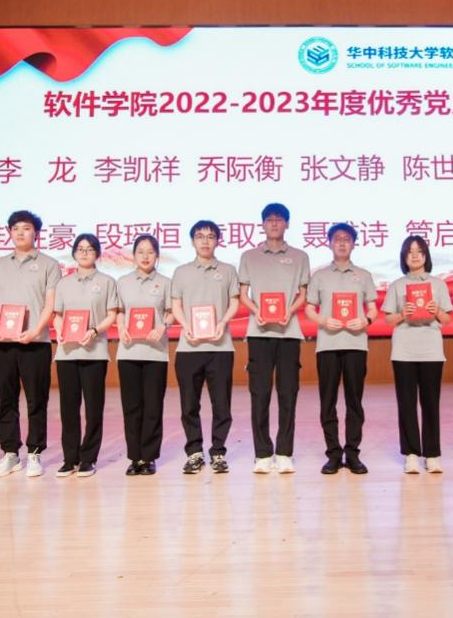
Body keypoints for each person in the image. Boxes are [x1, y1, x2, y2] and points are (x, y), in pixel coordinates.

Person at [0, 210, 61, 478]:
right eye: (15, 228)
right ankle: (10, 453)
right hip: (3, 344)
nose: (20, 233)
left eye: (26, 228)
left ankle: (35, 453)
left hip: (35, 343)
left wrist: (36, 330)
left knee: (36, 399)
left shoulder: (50, 264)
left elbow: (50, 304)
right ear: (9, 233)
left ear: (35, 233)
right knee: (4, 398)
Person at [238, 203, 311, 474]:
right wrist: (257, 311)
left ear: (287, 224)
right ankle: (262, 453)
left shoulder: (300, 256)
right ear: (263, 224)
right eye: (269, 219)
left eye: (279, 219)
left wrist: (289, 311)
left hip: (288, 332)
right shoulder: (249, 256)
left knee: (288, 393)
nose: (274, 224)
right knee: (260, 393)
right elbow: (243, 295)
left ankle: (284, 452)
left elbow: (303, 295)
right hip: (259, 333)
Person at [305, 223, 379, 475]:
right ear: (329, 243)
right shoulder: (319, 276)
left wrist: (366, 320)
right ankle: (334, 454)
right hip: (327, 345)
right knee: (328, 401)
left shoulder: (364, 275)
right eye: (337, 239)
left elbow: (373, 309)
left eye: (347, 239)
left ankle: (353, 453)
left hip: (356, 344)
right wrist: (323, 320)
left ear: (354, 244)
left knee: (354, 401)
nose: (342, 243)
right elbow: (309, 308)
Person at [171, 220, 240, 474]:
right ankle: (195, 452)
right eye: (200, 236)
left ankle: (218, 452)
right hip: (188, 347)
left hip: (220, 348)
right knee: (189, 404)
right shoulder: (181, 272)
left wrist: (222, 322)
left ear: (217, 240)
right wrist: (185, 325)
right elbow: (176, 305)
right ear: (192, 241)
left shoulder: (228, 270)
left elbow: (234, 302)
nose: (205, 241)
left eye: (210, 236)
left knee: (221, 404)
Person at [381, 235, 452, 474]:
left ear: (426, 255)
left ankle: (432, 454)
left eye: (419, 251)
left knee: (431, 403)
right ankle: (411, 453)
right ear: (403, 256)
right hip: (404, 350)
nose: (414, 255)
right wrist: (402, 314)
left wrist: (437, 310)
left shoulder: (438, 284)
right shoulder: (397, 285)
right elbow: (388, 319)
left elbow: (447, 319)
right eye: (409, 251)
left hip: (431, 350)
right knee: (407, 403)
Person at [52, 233, 119, 478]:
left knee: (93, 408)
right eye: (80, 248)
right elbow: (58, 315)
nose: (84, 253)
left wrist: (94, 331)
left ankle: (88, 458)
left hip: (95, 352)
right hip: (67, 353)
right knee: (68, 408)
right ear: (73, 253)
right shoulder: (63, 283)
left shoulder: (107, 281)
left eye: (90, 249)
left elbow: (112, 315)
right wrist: (60, 332)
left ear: (97, 254)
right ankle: (70, 458)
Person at [116, 234, 174, 476]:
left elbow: (171, 312)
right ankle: (134, 457)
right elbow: (119, 311)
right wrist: (120, 327)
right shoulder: (123, 282)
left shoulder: (166, 282)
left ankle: (148, 458)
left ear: (157, 255)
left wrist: (163, 327)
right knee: (131, 407)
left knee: (152, 407)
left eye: (150, 252)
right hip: (128, 351)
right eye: (140, 251)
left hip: (156, 353)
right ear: (133, 255)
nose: (145, 256)